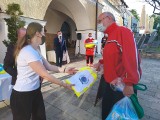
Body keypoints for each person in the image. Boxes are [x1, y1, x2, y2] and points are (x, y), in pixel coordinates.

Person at [11, 22, 77, 120]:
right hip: (22, 95)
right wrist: (64, 84)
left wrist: (65, 69)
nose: (45, 34)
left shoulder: (36, 49)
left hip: (35, 91)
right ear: (38, 33)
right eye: (44, 31)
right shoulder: (28, 51)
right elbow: (45, 75)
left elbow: (49, 66)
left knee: (40, 117)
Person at [94, 12, 142, 120]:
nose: (98, 24)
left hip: (122, 86)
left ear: (109, 18)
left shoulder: (123, 31)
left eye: (100, 20)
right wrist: (101, 63)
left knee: (121, 116)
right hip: (109, 84)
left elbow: (131, 58)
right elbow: (112, 56)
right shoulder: (109, 36)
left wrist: (129, 84)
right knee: (107, 114)